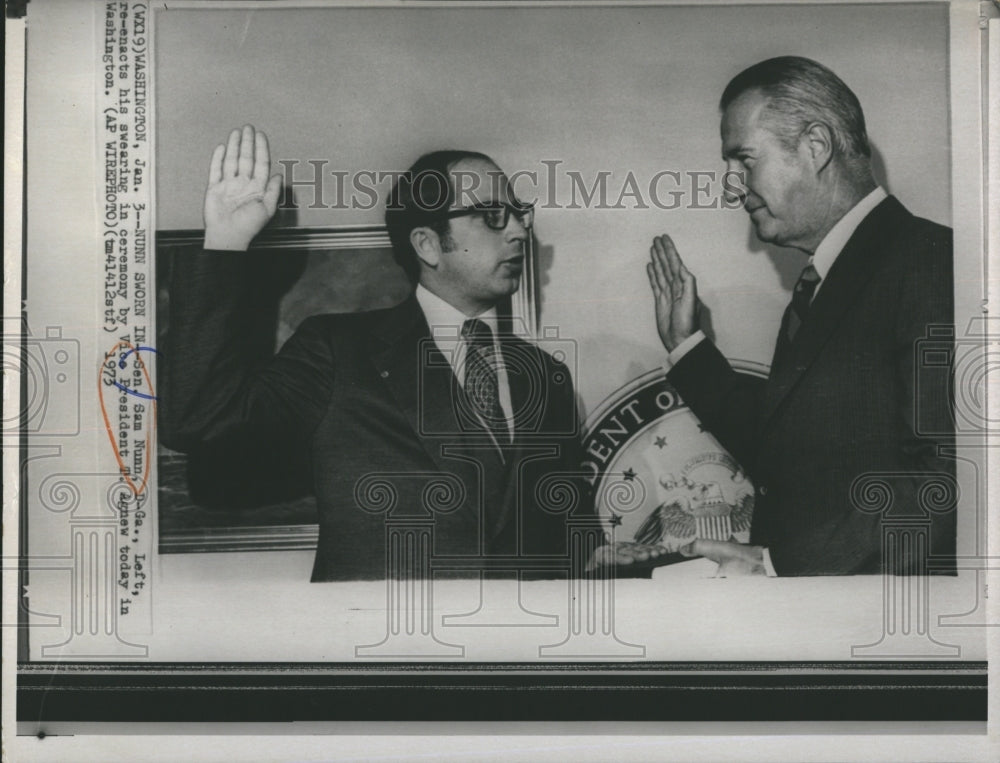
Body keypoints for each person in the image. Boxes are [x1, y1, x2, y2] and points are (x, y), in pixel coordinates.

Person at [162, 126, 595, 581]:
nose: (519, 231)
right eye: (491, 215)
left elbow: (563, 525)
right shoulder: (336, 351)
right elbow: (199, 420)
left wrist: (592, 557)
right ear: (427, 244)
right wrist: (225, 244)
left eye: (518, 213)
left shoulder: (547, 376)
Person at [645, 57, 956, 576]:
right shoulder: (829, 280)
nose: (731, 186)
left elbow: (944, 478)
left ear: (815, 146)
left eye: (744, 160)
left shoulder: (931, 262)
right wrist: (687, 346)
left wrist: (778, 564)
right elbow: (789, 454)